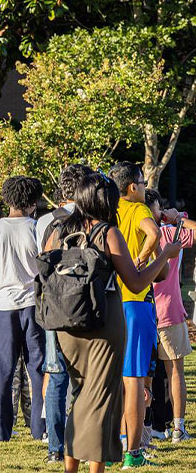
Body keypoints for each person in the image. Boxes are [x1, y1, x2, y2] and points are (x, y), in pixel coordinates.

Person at [43, 172, 181, 473]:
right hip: (103, 322)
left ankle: (70, 467)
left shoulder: (61, 228)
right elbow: (135, 281)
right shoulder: (108, 232)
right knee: (104, 400)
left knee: (80, 396)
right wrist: (166, 256)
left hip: (67, 323)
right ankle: (96, 469)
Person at [0, 175, 46, 442]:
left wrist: (5, 282)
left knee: (2, 371)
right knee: (37, 369)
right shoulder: (37, 229)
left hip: (4, 307)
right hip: (33, 305)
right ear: (33, 202)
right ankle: (41, 429)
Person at [35, 164, 93, 464]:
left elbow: (41, 260)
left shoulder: (45, 222)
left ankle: (55, 448)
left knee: (56, 376)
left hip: (52, 305)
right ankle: (78, 443)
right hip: (80, 305)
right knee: (82, 378)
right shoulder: (88, 221)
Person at [108, 162, 162, 467]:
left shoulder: (109, 210)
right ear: (132, 187)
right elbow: (153, 234)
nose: (144, 187)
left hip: (112, 301)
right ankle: (133, 453)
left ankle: (114, 445)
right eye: (142, 183)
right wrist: (141, 259)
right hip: (136, 301)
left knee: (114, 379)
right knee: (135, 382)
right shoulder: (139, 209)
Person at [145, 189, 194, 442]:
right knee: (175, 370)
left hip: (140, 309)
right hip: (168, 311)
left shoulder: (129, 234)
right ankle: (178, 428)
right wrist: (175, 219)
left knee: (140, 374)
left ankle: (144, 429)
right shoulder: (168, 233)